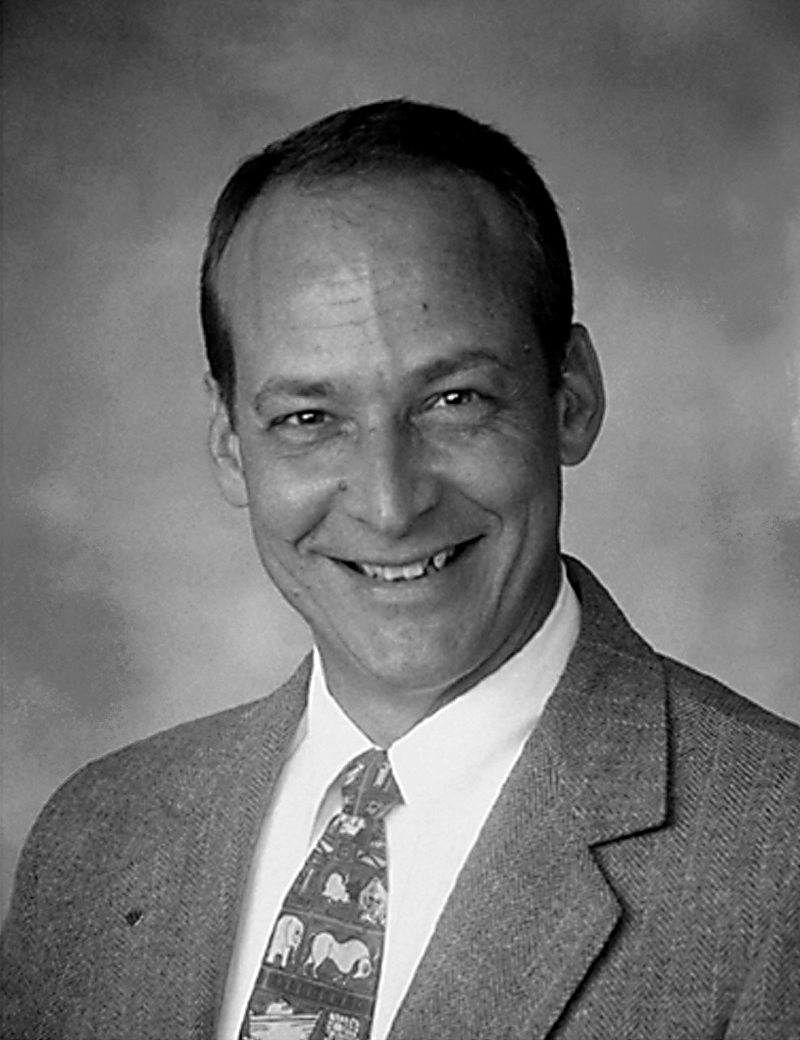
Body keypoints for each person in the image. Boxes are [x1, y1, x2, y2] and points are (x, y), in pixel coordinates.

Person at [2, 99, 798, 1040]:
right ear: (229, 445)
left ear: (572, 397)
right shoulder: (92, 840)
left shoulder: (776, 858)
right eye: (308, 418)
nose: (389, 503)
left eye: (454, 399)